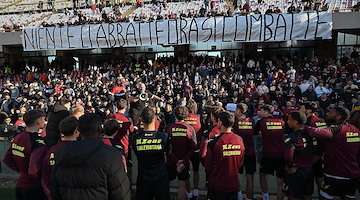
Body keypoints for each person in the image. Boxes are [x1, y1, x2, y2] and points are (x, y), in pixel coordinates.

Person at [50, 113, 131, 200]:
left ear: (78, 130)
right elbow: (120, 192)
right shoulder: (112, 154)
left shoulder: (62, 152)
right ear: (100, 128)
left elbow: (54, 189)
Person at [305, 107, 360, 200]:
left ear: (339, 116)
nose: (327, 114)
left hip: (335, 174)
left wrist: (303, 127)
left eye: (331, 113)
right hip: (353, 174)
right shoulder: (355, 130)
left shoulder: (336, 129)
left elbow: (319, 133)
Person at [3, 110, 47, 200]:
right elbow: (34, 170)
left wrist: (22, 171)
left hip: (20, 184)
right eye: (43, 119)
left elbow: (7, 159)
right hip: (34, 187)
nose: (45, 122)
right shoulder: (37, 141)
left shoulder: (18, 137)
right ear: (38, 121)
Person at [130, 108, 170, 200]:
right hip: (160, 178)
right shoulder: (164, 137)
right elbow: (168, 152)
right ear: (155, 119)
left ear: (141, 119)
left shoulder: (135, 138)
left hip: (143, 178)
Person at [205, 111, 245, 200]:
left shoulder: (214, 142)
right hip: (233, 183)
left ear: (220, 123)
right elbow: (240, 162)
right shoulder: (239, 140)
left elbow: (208, 165)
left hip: (217, 184)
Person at [41, 116, 79, 200]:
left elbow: (45, 174)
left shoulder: (52, 150)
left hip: (55, 191)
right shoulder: (81, 150)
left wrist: (49, 193)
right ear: (76, 131)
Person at [255, 105, 286, 200]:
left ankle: (265, 197)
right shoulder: (282, 122)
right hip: (281, 154)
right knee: (280, 182)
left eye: (261, 111)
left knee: (262, 175)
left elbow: (254, 132)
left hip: (268, 154)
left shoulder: (262, 122)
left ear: (266, 112)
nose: (259, 113)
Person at [166, 106, 197, 200]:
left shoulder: (169, 127)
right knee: (182, 187)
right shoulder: (190, 128)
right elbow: (193, 147)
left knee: (165, 184)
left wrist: (176, 161)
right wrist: (183, 162)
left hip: (171, 161)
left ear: (175, 114)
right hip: (184, 161)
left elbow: (167, 147)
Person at [283, 111, 314, 200]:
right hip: (309, 170)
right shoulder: (310, 134)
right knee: (307, 195)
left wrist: (290, 167)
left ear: (295, 122)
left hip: (297, 171)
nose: (287, 122)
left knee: (293, 196)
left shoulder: (292, 137)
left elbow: (288, 155)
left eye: (289, 120)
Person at [300, 102, 327, 192]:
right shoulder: (321, 121)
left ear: (309, 111)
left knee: (310, 182)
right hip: (318, 154)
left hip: (311, 155)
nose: (300, 110)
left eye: (302, 109)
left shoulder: (309, 122)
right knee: (319, 180)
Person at [233, 103, 256, 200]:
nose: (235, 111)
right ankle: (249, 198)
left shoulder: (236, 122)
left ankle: (239, 196)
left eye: (236, 110)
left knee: (236, 176)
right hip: (251, 152)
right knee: (249, 177)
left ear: (239, 110)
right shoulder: (251, 121)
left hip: (239, 152)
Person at [184, 99, 202, 199]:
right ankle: (195, 191)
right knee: (196, 170)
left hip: (185, 148)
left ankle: (189, 193)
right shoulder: (198, 118)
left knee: (186, 172)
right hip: (196, 147)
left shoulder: (183, 118)